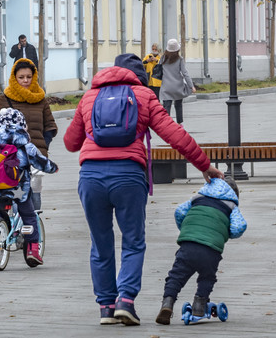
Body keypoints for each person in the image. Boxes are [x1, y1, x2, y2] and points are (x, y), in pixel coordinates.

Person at [63, 53, 223, 326]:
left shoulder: (89, 96)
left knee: (100, 244)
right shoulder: (143, 96)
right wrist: (204, 165)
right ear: (141, 76)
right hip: (128, 177)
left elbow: (70, 142)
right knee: (133, 241)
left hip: (91, 178)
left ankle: (105, 307)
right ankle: (125, 301)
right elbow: (174, 134)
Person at [156, 177, 246, 325]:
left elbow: (179, 212)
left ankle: (167, 303)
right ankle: (199, 305)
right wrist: (224, 232)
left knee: (176, 276)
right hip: (211, 249)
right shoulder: (231, 206)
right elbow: (239, 227)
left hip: (188, 245)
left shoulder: (196, 198)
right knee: (207, 277)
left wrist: (185, 229)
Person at [0, 108, 58, 265]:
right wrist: (53, 168)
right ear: (22, 125)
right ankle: (32, 250)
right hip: (18, 190)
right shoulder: (25, 146)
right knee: (29, 216)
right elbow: (41, 162)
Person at [0, 59, 57, 211]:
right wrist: (3, 119)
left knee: (34, 194)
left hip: (35, 154)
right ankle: (8, 226)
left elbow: (50, 126)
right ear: (14, 77)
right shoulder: (4, 99)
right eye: (21, 77)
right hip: (9, 156)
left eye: (29, 77)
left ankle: (33, 228)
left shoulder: (40, 99)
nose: (25, 80)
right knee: (10, 192)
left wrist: (43, 146)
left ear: (34, 77)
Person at [158, 39, 195, 124]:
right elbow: (185, 73)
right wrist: (191, 86)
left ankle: (166, 124)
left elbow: (159, 70)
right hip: (178, 86)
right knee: (178, 105)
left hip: (166, 86)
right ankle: (179, 123)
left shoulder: (163, 58)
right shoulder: (180, 59)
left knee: (166, 106)